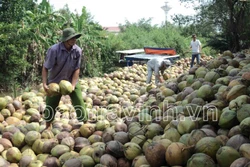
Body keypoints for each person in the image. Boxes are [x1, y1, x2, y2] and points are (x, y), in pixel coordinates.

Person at [42, 27, 88, 130]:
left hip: (71, 80)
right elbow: (45, 67)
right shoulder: (54, 50)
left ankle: (86, 123)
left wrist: (72, 85)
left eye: (75, 38)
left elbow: (77, 69)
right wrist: (45, 84)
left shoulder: (77, 50)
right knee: (51, 104)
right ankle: (47, 126)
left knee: (79, 100)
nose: (74, 40)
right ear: (66, 39)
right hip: (55, 81)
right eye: (72, 38)